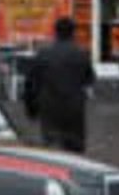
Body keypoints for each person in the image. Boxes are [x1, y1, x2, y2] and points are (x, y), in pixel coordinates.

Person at [23, 17, 95, 153]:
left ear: (55, 32)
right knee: (74, 147)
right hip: (74, 109)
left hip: (50, 108)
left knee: (52, 147)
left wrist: (31, 109)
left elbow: (30, 83)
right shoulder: (82, 54)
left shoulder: (43, 54)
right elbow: (89, 80)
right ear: (73, 32)